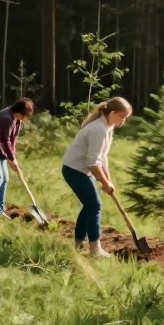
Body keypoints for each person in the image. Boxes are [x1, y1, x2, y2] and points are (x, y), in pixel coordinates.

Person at [61, 98, 133, 258]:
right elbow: (92, 161)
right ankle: (95, 250)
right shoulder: (98, 129)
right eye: (122, 116)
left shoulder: (108, 128)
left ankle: (78, 246)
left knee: (89, 205)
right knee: (95, 205)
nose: (124, 120)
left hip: (82, 170)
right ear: (112, 113)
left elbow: (102, 158)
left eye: (126, 117)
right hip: (74, 170)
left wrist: (108, 180)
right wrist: (104, 182)